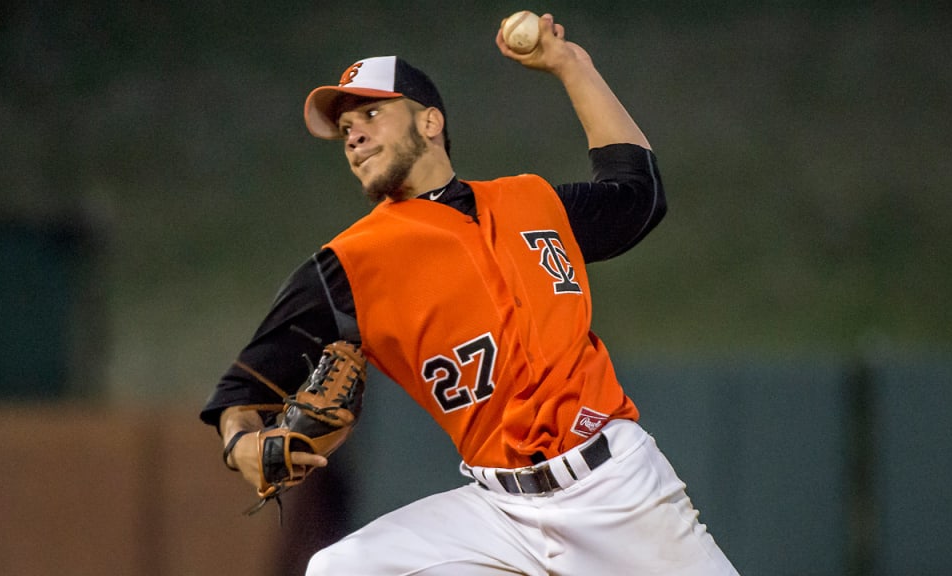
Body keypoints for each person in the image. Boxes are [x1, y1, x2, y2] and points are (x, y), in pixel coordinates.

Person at [201, 12, 739, 576]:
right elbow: (242, 393)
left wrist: (571, 65)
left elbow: (638, 194)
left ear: (430, 121)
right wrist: (242, 447)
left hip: (617, 490)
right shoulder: (348, 266)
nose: (353, 134)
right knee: (341, 570)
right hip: (498, 514)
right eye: (345, 129)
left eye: (372, 113)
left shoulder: (532, 201)